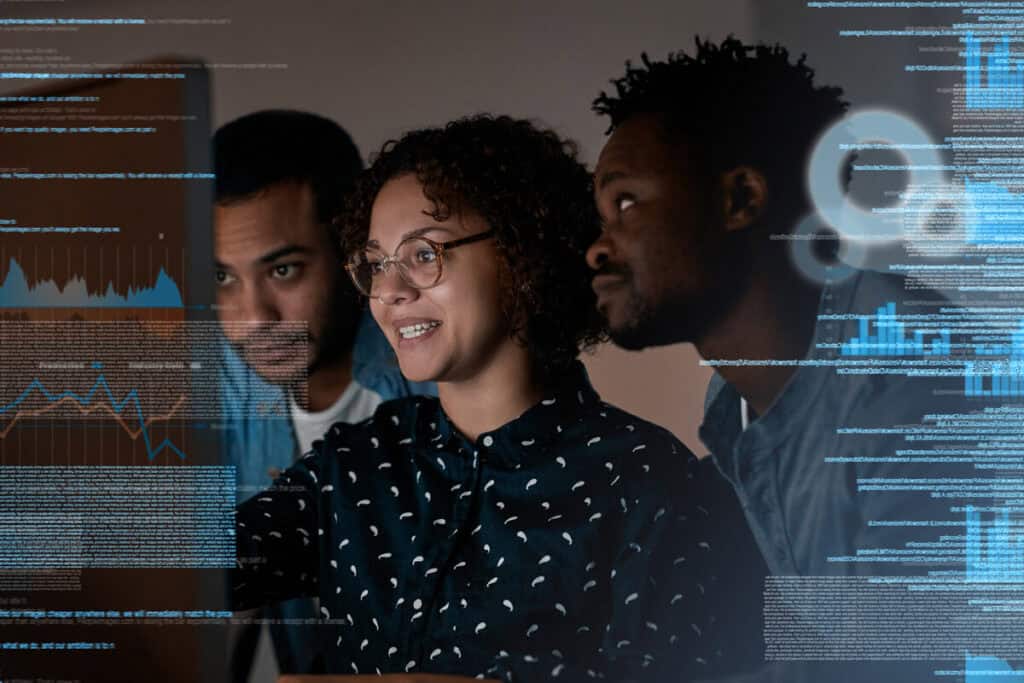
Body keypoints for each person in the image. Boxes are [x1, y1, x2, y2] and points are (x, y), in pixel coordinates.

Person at [231, 115, 736, 681]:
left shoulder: (648, 480)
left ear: (524, 254)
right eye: (376, 264)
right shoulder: (357, 461)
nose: (389, 292)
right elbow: (192, 566)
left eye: (424, 254)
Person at [585, 38, 971, 681]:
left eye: (625, 203)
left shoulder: (915, 384)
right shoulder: (734, 410)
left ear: (740, 199)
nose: (597, 250)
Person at [213, 109, 432, 680]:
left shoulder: (436, 374)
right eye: (222, 278)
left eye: (283, 270)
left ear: (352, 250)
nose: (252, 319)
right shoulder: (216, 386)